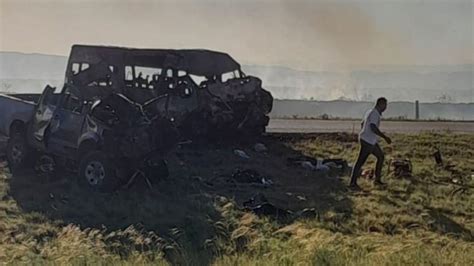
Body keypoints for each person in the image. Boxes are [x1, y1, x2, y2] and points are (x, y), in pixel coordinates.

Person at [349, 97, 392, 190]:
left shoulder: (370, 112)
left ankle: (377, 180)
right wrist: (384, 137)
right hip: (368, 142)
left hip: (370, 140)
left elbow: (362, 123)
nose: (386, 108)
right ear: (380, 104)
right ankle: (352, 183)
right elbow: (373, 127)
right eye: (385, 105)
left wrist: (365, 132)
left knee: (381, 156)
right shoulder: (374, 114)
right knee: (360, 161)